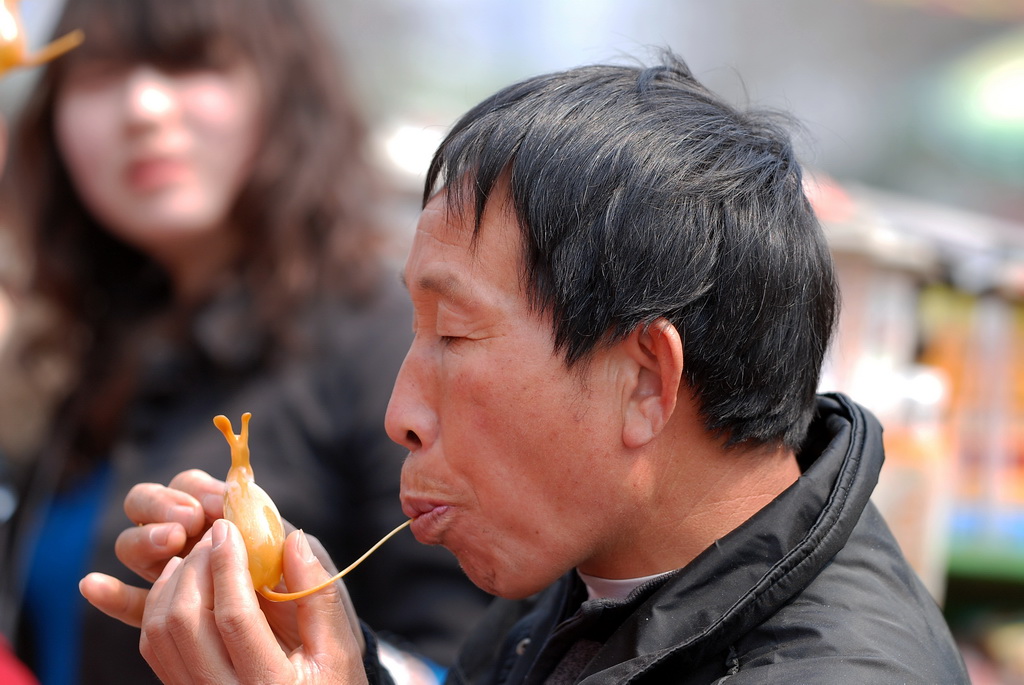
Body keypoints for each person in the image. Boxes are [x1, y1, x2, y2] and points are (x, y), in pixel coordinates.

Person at [80, 52, 970, 683]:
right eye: (415, 330)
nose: (401, 413)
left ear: (645, 382)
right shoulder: (599, 572)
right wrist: (316, 640)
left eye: (455, 335)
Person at [0, 0, 488, 684]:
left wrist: (323, 653)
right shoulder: (68, 351)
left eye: (191, 63)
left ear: (282, 91)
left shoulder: (390, 341)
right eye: (100, 74)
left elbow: (481, 654)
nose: (142, 106)